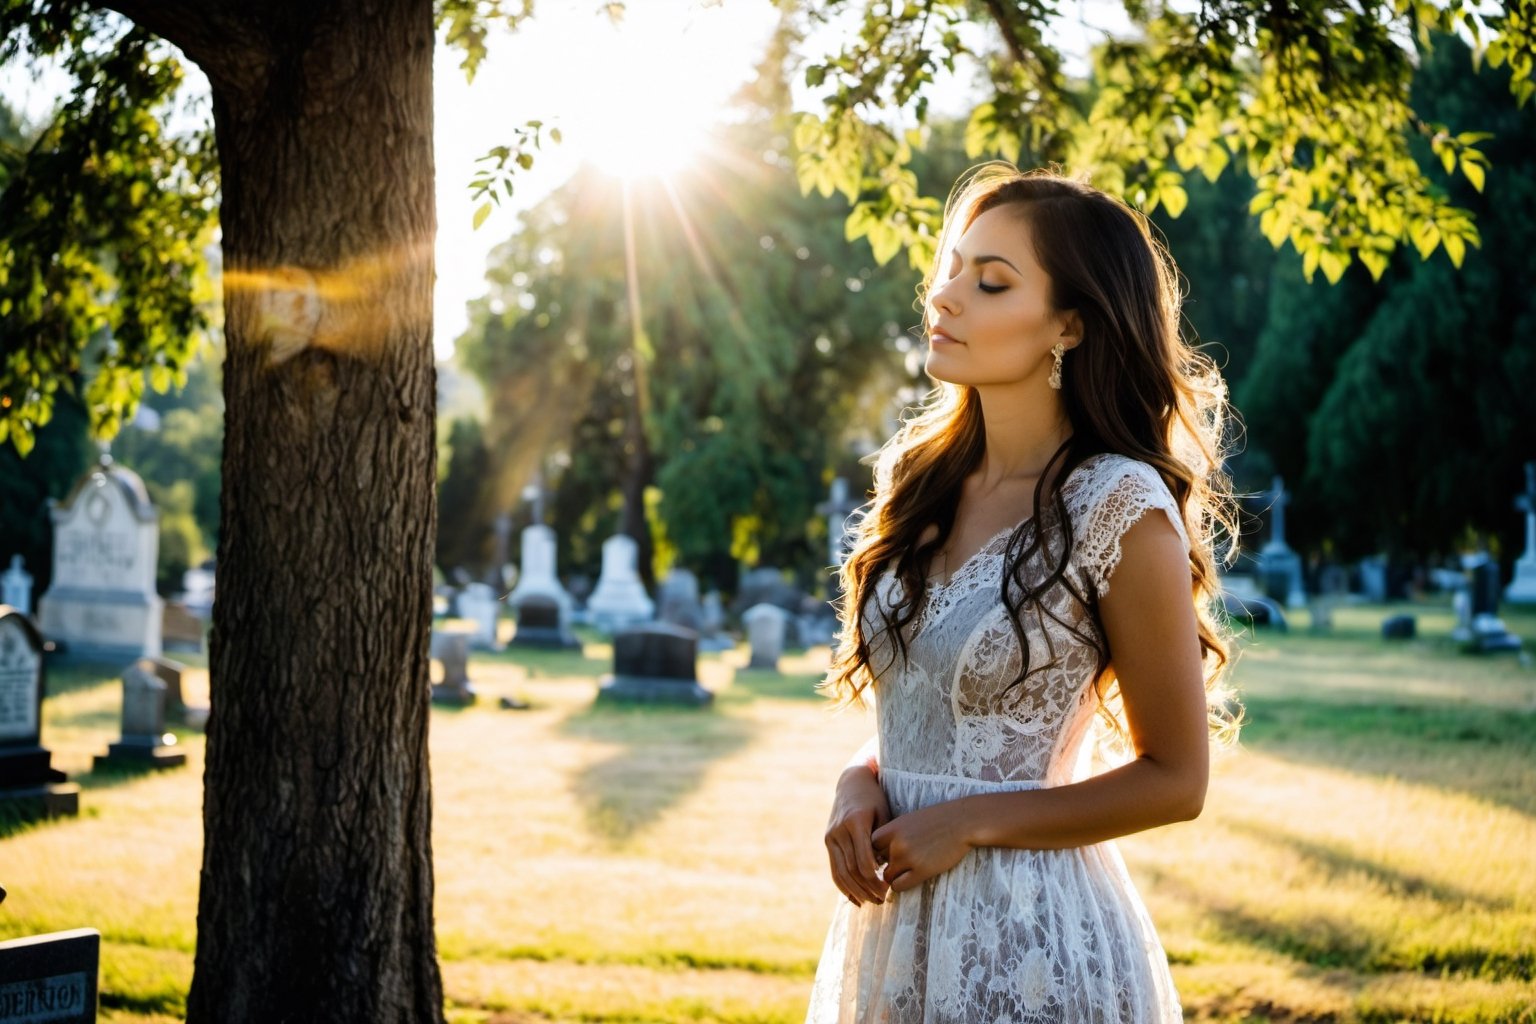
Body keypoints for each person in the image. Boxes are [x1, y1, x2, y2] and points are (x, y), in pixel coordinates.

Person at [805, 164, 1240, 1023]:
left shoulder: (1115, 505)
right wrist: (858, 782)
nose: (946, 296)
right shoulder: (918, 481)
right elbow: (932, 711)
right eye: (954, 268)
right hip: (894, 936)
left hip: (1036, 942)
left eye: (991, 281)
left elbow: (1177, 779)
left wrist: (969, 823)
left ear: (1069, 326)